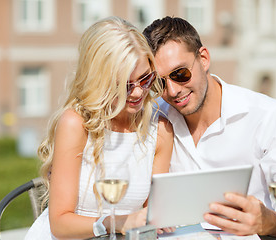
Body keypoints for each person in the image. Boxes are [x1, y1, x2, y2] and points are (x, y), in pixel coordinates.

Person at [143, 16, 276, 239]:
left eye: (180, 74)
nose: (173, 91)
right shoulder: (153, 117)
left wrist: (267, 221)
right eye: (160, 83)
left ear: (204, 59)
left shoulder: (267, 117)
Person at [25, 16, 173, 240]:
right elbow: (60, 224)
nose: (137, 93)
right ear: (100, 82)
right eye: (124, 84)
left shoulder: (159, 131)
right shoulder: (76, 124)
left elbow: (151, 217)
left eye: (145, 79)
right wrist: (118, 223)